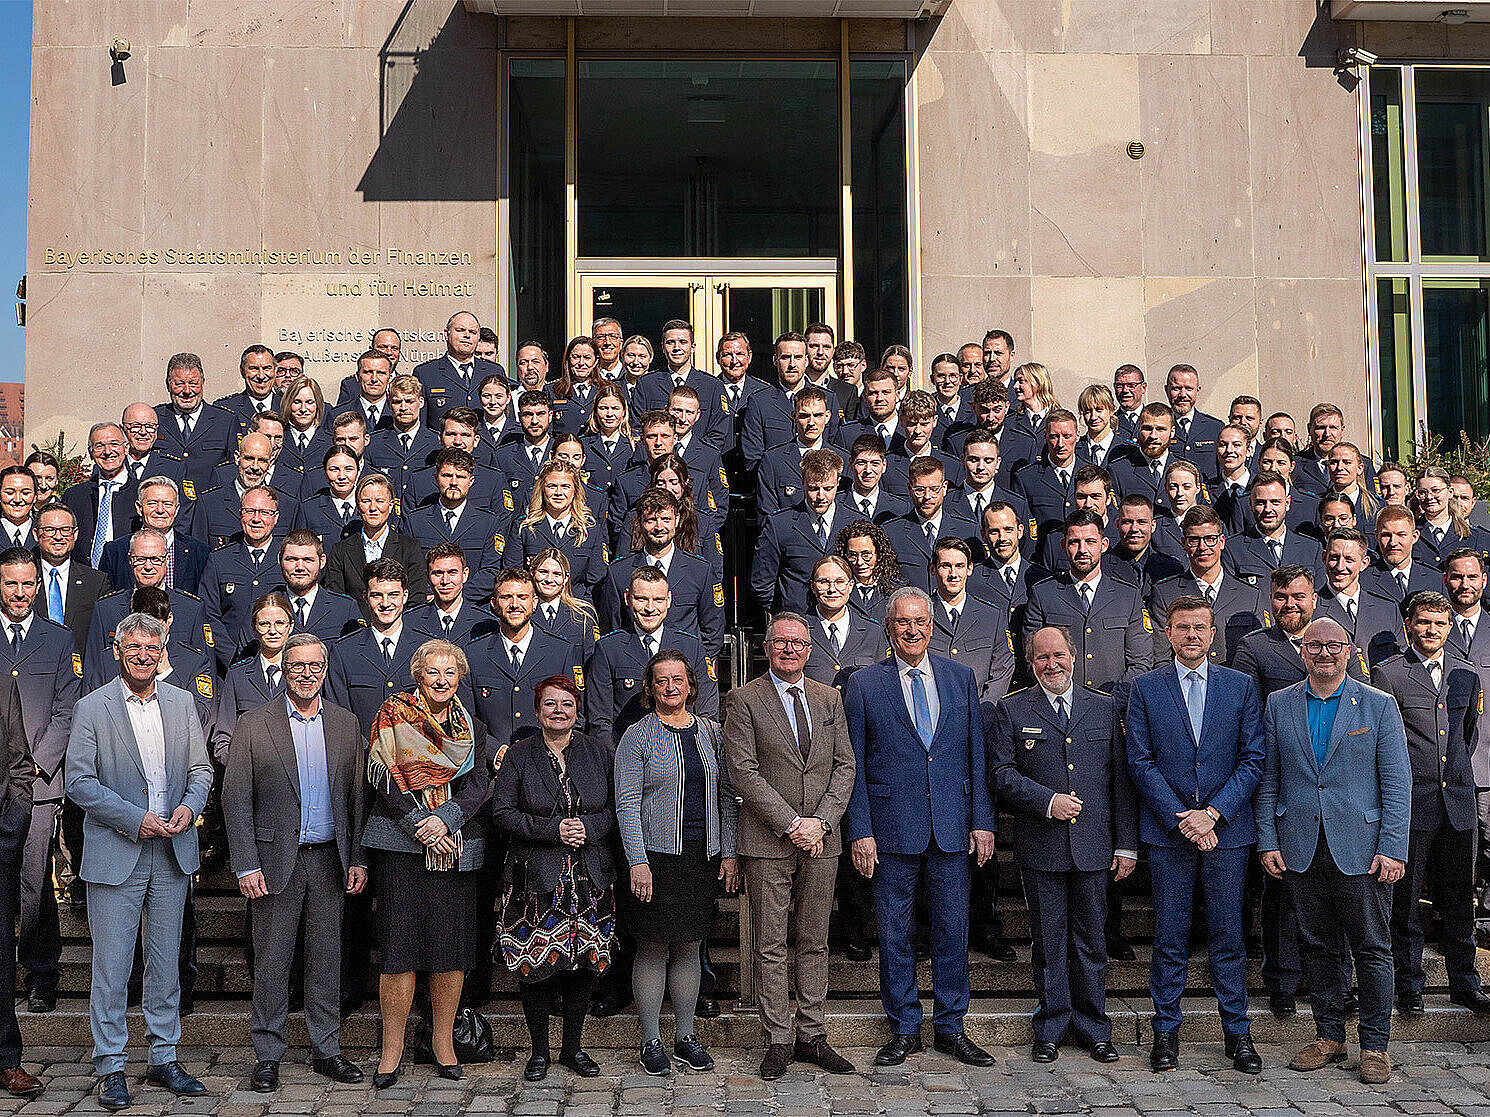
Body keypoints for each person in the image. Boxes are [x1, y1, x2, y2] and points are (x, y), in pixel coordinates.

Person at [65, 612, 213, 1112]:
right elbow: (79, 783)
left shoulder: (182, 701)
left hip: (172, 850)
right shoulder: (92, 707)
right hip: (117, 850)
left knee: (165, 962)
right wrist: (135, 818)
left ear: (163, 648)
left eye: (153, 649)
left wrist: (190, 806)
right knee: (111, 966)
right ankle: (110, 1065)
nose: (145, 658)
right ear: (118, 650)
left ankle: (163, 1056)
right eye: (135, 650)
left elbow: (200, 768)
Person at [843, 587, 996, 1068]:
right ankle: (905, 1026)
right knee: (894, 931)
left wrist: (983, 822)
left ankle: (951, 1027)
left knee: (953, 929)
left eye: (922, 622)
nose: (913, 630)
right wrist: (859, 830)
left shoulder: (960, 678)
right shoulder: (865, 684)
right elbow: (853, 765)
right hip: (890, 829)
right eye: (903, 623)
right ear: (889, 629)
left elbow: (975, 755)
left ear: (933, 626)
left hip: (952, 826)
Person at [1257, 617, 1410, 1085]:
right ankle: (1328, 1035)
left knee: (1372, 947)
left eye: (1333, 646)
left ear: (1349, 650)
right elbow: (1269, 780)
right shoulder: (1279, 704)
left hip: (1361, 849)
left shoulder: (1379, 706)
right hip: (1301, 845)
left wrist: (1392, 848)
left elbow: (1397, 783)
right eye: (1314, 645)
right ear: (1302, 651)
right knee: (1317, 945)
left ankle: (1375, 1046)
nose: (1324, 653)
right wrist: (1268, 839)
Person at [1125, 595, 1265, 1074]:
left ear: (1213, 634)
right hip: (1171, 834)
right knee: (1169, 936)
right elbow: (1140, 762)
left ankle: (1237, 1034)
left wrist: (1214, 814)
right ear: (1168, 633)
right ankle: (1166, 1033)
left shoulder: (1241, 687)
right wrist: (1183, 816)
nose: (1191, 636)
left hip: (1227, 833)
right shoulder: (1145, 688)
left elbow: (1253, 760)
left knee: (1229, 937)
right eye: (1181, 627)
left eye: (1199, 628)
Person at [222, 633, 368, 1092]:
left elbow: (357, 797)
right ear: (283, 669)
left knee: (327, 960)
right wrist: (246, 864)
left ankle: (327, 1049)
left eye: (314, 666)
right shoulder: (254, 723)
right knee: (272, 961)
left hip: (329, 859)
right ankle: (268, 1052)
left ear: (325, 670)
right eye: (296, 666)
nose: (306, 674)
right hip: (273, 860)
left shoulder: (346, 724)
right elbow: (235, 797)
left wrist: (358, 857)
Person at [987, 626, 1136, 1064]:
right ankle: (1050, 1025)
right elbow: (1001, 774)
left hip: (1094, 846)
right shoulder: (1012, 710)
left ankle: (1094, 1027)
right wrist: (1046, 801)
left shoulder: (1105, 709)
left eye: (1059, 655)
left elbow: (1121, 784)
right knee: (1049, 943)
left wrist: (1126, 846)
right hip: (1042, 846)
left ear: (1074, 655)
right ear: (1029, 664)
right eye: (1041, 658)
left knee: (1092, 940)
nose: (1051, 664)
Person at [723, 614, 857, 1080]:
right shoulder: (743, 699)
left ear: (810, 649)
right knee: (772, 942)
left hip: (823, 839)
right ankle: (779, 1038)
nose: (790, 650)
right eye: (781, 642)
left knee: (815, 940)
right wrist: (791, 823)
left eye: (798, 643)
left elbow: (845, 767)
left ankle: (813, 1033)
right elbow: (742, 771)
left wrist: (820, 822)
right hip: (768, 840)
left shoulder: (829, 698)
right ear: (766, 647)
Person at [363, 638, 495, 1089]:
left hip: (455, 848)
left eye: (450, 673)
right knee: (399, 951)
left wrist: (446, 819)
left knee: (449, 951)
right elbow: (381, 776)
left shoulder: (470, 726)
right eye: (432, 673)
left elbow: (481, 784)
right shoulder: (392, 714)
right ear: (418, 676)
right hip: (401, 846)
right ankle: (392, 1050)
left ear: (460, 677)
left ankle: (443, 1042)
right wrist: (422, 821)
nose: (441, 681)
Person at [613, 650, 738, 1076]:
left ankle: (685, 1037)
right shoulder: (637, 736)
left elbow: (726, 795)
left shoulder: (711, 733)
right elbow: (626, 804)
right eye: (661, 680)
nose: (670, 686)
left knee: (690, 946)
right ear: (650, 688)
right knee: (652, 945)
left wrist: (730, 850)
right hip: (655, 857)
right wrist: (637, 860)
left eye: (678, 679)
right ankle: (650, 1040)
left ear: (691, 686)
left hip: (700, 857)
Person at [1370, 593, 1490, 1016]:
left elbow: (1467, 735)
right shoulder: (1389, 674)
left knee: (1458, 899)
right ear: (1408, 623)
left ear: (1449, 627)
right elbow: (1383, 742)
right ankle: (1409, 986)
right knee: (1404, 905)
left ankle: (1465, 983)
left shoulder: (1465, 674)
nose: (1431, 630)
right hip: (1413, 803)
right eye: (1423, 622)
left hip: (1456, 800)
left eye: (1439, 624)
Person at [492, 674, 615, 1082]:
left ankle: (573, 1049)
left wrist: (588, 828)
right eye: (550, 704)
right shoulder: (520, 755)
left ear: (577, 709)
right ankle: (540, 1052)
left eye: (566, 703)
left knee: (585, 966)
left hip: (589, 879)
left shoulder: (597, 752)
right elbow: (503, 812)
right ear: (537, 709)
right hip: (536, 881)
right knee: (536, 967)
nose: (559, 711)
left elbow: (615, 808)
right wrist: (553, 830)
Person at [0, 547, 78, 1017]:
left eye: (28, 584)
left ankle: (40, 974)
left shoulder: (57, 638)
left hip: (39, 785)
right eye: (11, 583)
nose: (20, 593)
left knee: (33, 882)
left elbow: (67, 710)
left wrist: (38, 765)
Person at [34, 501, 111, 655]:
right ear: (36, 534)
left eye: (65, 530)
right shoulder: (22, 580)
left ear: (75, 534)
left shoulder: (96, 582)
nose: (58, 536)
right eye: (49, 530)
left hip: (79, 671)